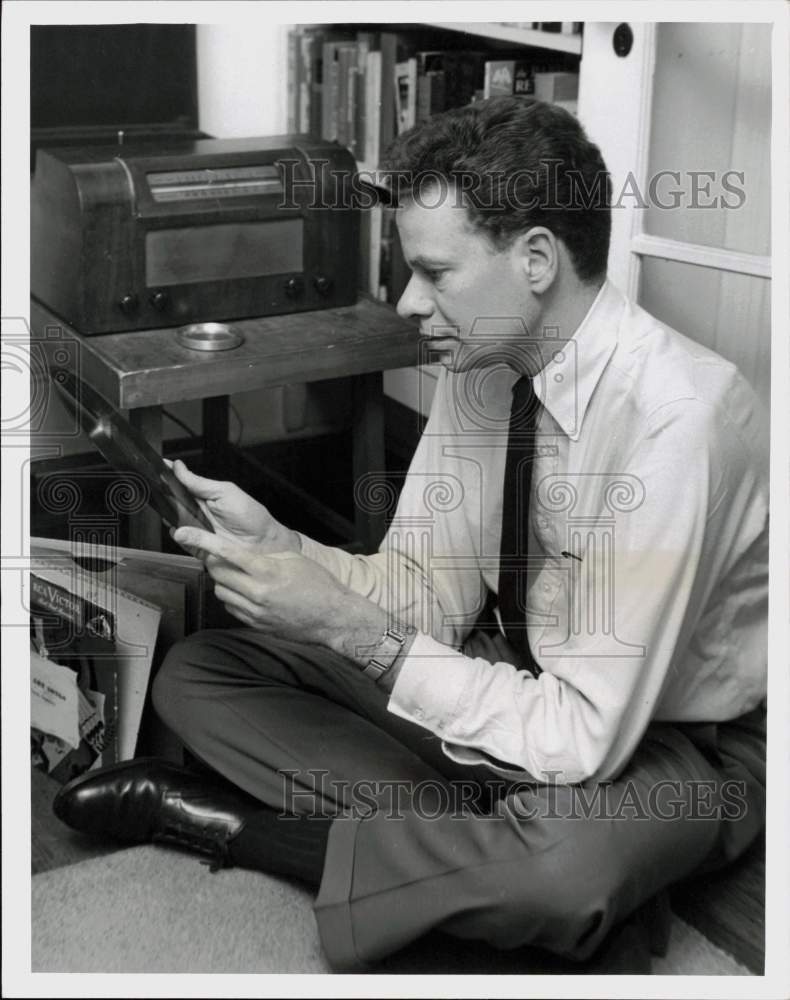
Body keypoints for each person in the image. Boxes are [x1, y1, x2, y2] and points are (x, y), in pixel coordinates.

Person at [54, 97, 768, 973]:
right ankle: (470, 859)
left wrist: (352, 630)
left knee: (569, 866)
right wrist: (290, 551)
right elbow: (424, 594)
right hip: (508, 680)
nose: (406, 303)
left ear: (537, 259)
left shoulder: (680, 421)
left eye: (434, 272)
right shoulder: (485, 360)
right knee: (203, 670)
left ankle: (240, 828)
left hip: (669, 742)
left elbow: (582, 742)